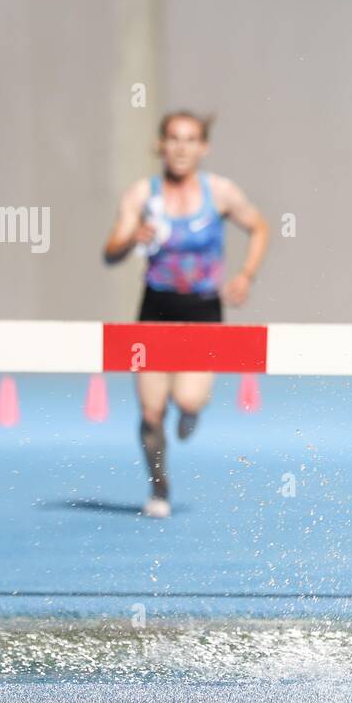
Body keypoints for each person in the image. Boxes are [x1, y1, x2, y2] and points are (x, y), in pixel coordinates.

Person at [104, 110, 270, 518]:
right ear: (160, 145)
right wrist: (131, 238)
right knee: (150, 411)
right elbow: (111, 252)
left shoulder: (220, 192)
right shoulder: (143, 195)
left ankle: (193, 411)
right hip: (155, 309)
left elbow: (260, 227)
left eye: (190, 139)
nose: (181, 148)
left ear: (203, 147)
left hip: (202, 312)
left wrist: (246, 276)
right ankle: (159, 486)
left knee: (188, 399)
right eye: (173, 139)